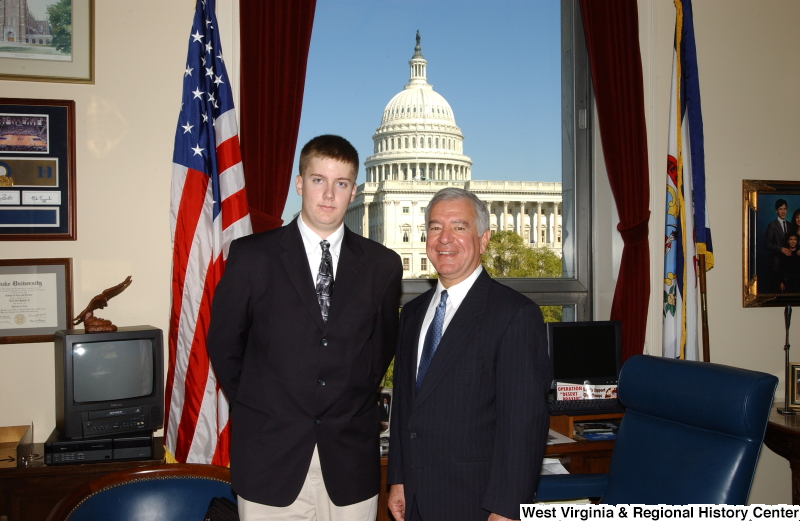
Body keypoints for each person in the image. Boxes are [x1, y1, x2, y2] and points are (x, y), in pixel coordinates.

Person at [207, 135, 403, 521]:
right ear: (299, 184)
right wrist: (264, 406)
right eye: (318, 180)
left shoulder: (382, 266)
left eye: (341, 183)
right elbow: (225, 345)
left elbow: (380, 350)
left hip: (349, 460)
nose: (329, 194)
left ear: (353, 190)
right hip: (270, 458)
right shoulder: (251, 257)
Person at [387, 187, 553, 521]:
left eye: (459, 227)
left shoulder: (514, 314)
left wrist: (506, 509)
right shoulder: (414, 313)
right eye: (435, 227)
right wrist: (398, 479)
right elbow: (406, 407)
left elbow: (523, 426)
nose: (444, 238)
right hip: (416, 498)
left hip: (477, 502)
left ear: (484, 239)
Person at [765, 199, 791, 292]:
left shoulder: (789, 225)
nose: (783, 211)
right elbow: (767, 244)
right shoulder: (772, 225)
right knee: (777, 291)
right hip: (777, 264)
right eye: (780, 209)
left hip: (789, 264)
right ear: (776, 211)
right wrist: (781, 249)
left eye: (785, 209)